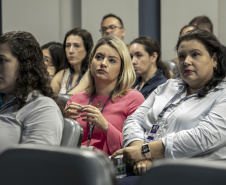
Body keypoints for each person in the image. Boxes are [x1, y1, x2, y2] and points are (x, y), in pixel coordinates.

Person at [112, 29, 226, 177]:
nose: (186, 61)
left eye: (195, 54)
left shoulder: (222, 93)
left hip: (191, 175)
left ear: (214, 59)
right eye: (182, 56)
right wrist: (138, 150)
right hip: (145, 170)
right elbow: (134, 119)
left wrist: (144, 152)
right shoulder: (168, 86)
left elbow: (203, 137)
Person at [64, 35, 145, 156]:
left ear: (122, 68)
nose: (103, 63)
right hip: (75, 164)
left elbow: (136, 151)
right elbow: (60, 143)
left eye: (112, 60)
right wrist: (65, 122)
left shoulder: (133, 99)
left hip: (113, 167)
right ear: (91, 62)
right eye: (99, 57)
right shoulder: (75, 99)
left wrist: (105, 126)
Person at [0, 31, 64, 153]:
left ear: (24, 65)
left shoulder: (42, 108)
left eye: (1, 61)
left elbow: (33, 166)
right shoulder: (4, 101)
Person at [51, 28, 93, 94]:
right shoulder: (62, 75)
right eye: (68, 46)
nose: (70, 51)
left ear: (87, 49)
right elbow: (51, 100)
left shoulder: (93, 74)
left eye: (76, 46)